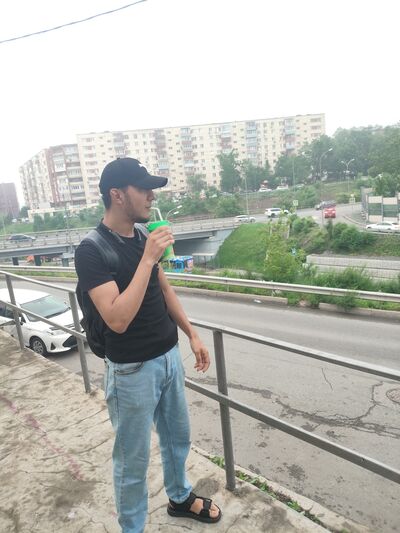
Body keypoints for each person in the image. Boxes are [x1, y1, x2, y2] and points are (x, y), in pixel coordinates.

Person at [74, 158, 221, 533]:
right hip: (131, 371)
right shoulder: (91, 250)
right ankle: (133, 527)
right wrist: (149, 258)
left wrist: (191, 334)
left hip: (169, 357)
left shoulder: (142, 235)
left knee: (177, 439)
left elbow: (164, 289)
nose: (151, 196)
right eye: (143, 188)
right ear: (117, 195)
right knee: (132, 461)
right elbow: (117, 319)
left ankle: (179, 497)